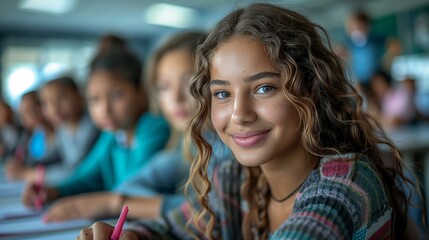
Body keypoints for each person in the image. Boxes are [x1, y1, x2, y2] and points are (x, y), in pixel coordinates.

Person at [78, 3, 418, 240]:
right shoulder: (233, 178)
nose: (239, 114)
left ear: (311, 88)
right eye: (222, 94)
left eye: (264, 88)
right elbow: (177, 228)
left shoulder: (347, 183)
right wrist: (135, 236)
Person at [22, 48, 170, 221]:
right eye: (94, 100)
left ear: (141, 93)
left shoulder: (153, 127)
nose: (104, 109)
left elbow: (131, 187)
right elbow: (86, 176)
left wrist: (85, 204)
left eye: (116, 96)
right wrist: (54, 190)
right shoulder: (112, 135)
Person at [5, 91, 57, 181]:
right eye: (24, 113)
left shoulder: (60, 133)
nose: (31, 115)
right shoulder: (34, 136)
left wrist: (26, 172)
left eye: (33, 108)